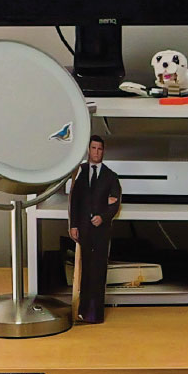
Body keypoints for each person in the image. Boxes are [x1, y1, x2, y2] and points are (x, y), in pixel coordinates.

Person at [64, 135, 123, 325]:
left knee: (98, 270)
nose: (96, 152)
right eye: (94, 148)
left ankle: (95, 313)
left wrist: (103, 217)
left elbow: (114, 203)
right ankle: (81, 310)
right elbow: (75, 201)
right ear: (88, 150)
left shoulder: (110, 176)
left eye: (100, 149)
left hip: (101, 231)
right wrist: (73, 225)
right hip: (83, 229)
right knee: (84, 269)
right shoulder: (80, 173)